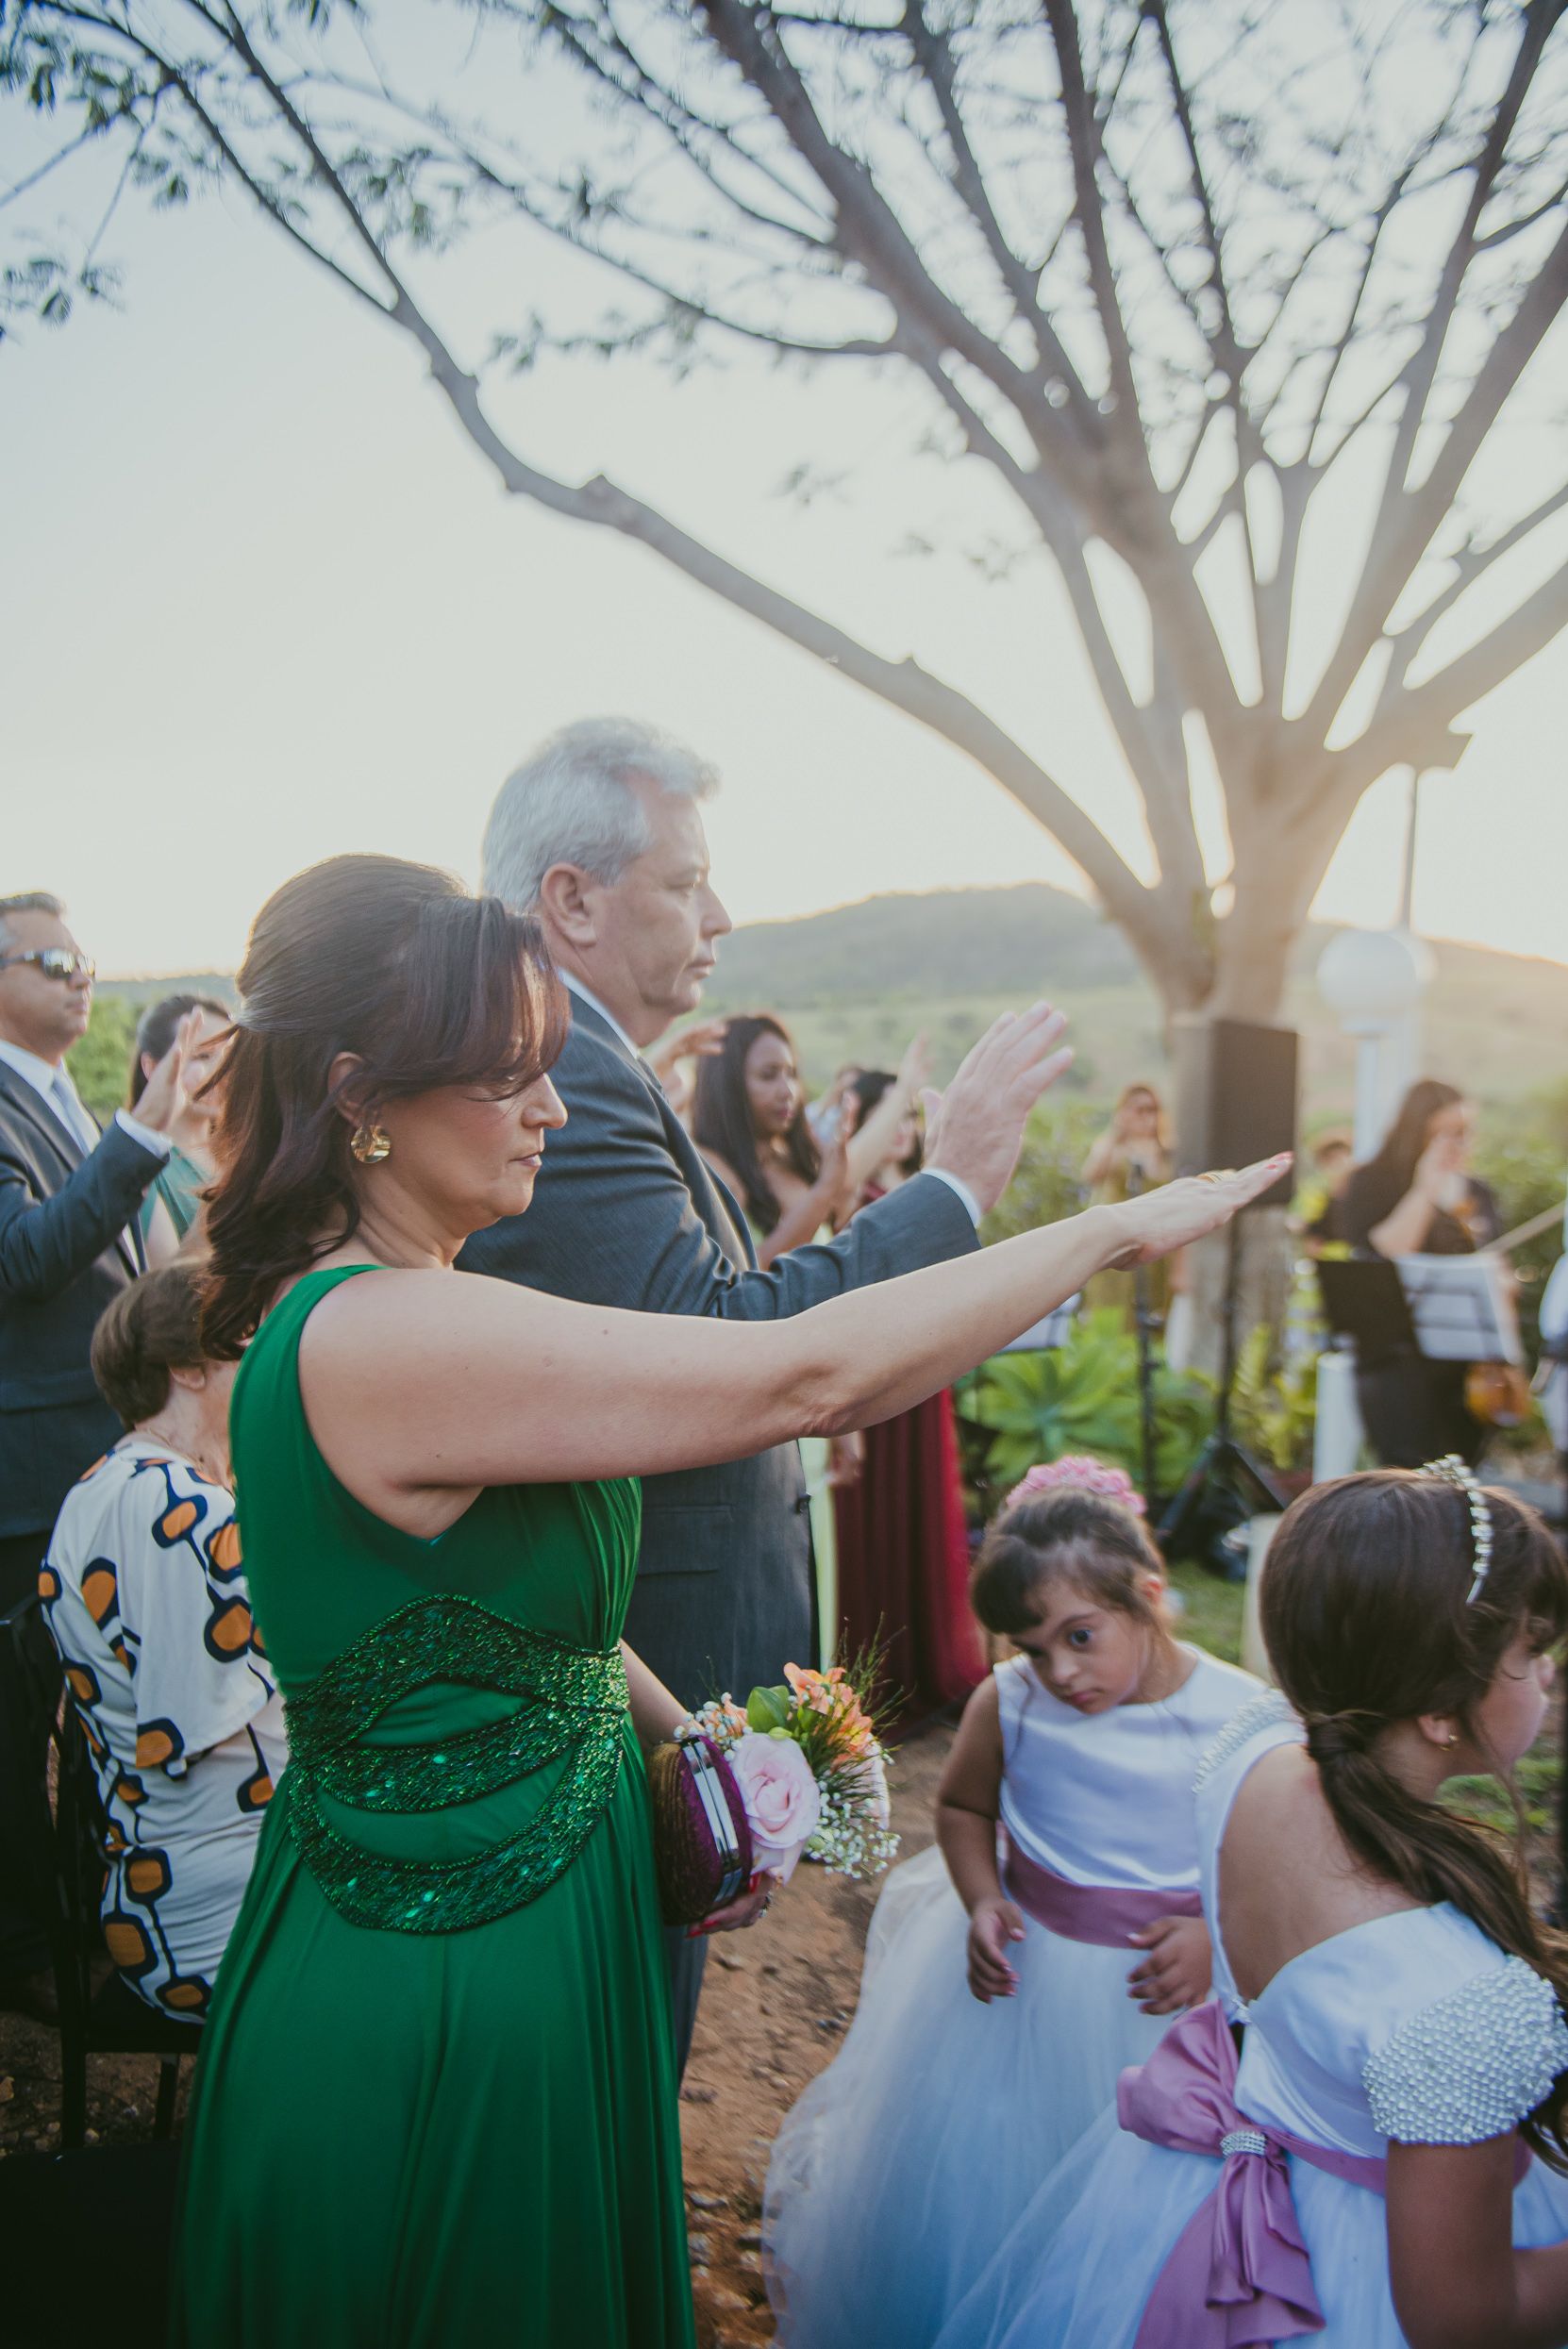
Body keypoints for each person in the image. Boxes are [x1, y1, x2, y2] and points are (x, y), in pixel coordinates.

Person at [167, 849, 1277, 2349]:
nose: (554, 1109)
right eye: (512, 1076)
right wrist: (1097, 1231)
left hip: (540, 1909)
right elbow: (802, 1373)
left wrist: (700, 1753)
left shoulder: (415, 1307)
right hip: (446, 1974)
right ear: (363, 1093)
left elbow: (515, 1616)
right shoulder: (383, 1332)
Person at [459, 721, 1052, 2065]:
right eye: (685, 881)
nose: (718, 914)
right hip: (629, 1649)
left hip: (665, 1643)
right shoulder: (568, 1074)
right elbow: (715, 1342)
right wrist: (951, 1189)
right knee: (615, 2038)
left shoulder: (598, 1065)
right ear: (571, 897)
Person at [932, 1465, 1568, 2349]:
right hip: (1357, 2287)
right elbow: (1464, 2315)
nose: (1545, 1678)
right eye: (1530, 1658)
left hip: (1238, 2215)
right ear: (1437, 1708)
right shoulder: (1450, 1998)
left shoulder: (1253, 1752)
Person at [764, 1465, 1260, 2349]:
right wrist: (983, 1896)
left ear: (1148, 1595)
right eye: (1033, 1648)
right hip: (1023, 1997)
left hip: (1163, 2008)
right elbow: (965, 1807)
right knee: (993, 2181)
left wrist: (1215, 1933)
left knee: (1133, 2201)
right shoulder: (1014, 1702)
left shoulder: (1240, 1715)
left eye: (1080, 1636)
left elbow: (1268, 1860)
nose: (1061, 1671)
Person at [0, 890, 197, 2013]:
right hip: (22, 1475)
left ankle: (86, 1916)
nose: (81, 975)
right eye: (50, 957)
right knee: (14, 1721)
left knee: (96, 1709)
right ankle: (27, 1953)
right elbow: (26, 1258)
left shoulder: (64, 1096)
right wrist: (139, 1138)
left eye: (84, 959)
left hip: (96, 1455)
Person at [40, 1262, 283, 2018]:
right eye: (254, 1347)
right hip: (213, 1906)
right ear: (186, 1366)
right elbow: (201, 1738)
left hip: (206, 1863)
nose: (275, 1368)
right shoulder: (172, 1506)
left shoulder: (136, 1483)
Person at [829, 1066, 983, 1718]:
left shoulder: (917, 1193)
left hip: (925, 1372)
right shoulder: (852, 1196)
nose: (904, 1132)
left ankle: (924, 1655)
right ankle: (876, 1666)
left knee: (921, 1505)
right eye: (891, 1116)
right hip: (877, 1370)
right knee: (877, 1513)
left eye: (912, 1121)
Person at [1330, 1079, 1501, 1465]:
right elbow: (1389, 1248)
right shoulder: (1372, 1182)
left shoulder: (1478, 1192)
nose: (1459, 1144)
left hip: (1467, 1365)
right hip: (1395, 1360)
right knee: (1408, 1473)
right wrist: (1426, 1188)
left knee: (1461, 1478)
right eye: (1446, 1134)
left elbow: (1490, 1261)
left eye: (1465, 1132)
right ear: (1417, 1132)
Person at [129, 992, 230, 1262]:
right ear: (151, 1067)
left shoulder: (239, 1152)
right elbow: (164, 1290)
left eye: (230, 1056)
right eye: (203, 1055)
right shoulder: (143, 1171)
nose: (221, 1070)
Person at [1081, 1083, 1180, 1327]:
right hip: (1116, 1246)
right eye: (1138, 1109)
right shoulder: (1112, 1147)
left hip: (1156, 1248)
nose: (1145, 1117)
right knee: (1111, 1316)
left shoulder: (1167, 1153)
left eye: (1151, 1109)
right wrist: (1118, 1131)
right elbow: (1090, 1176)